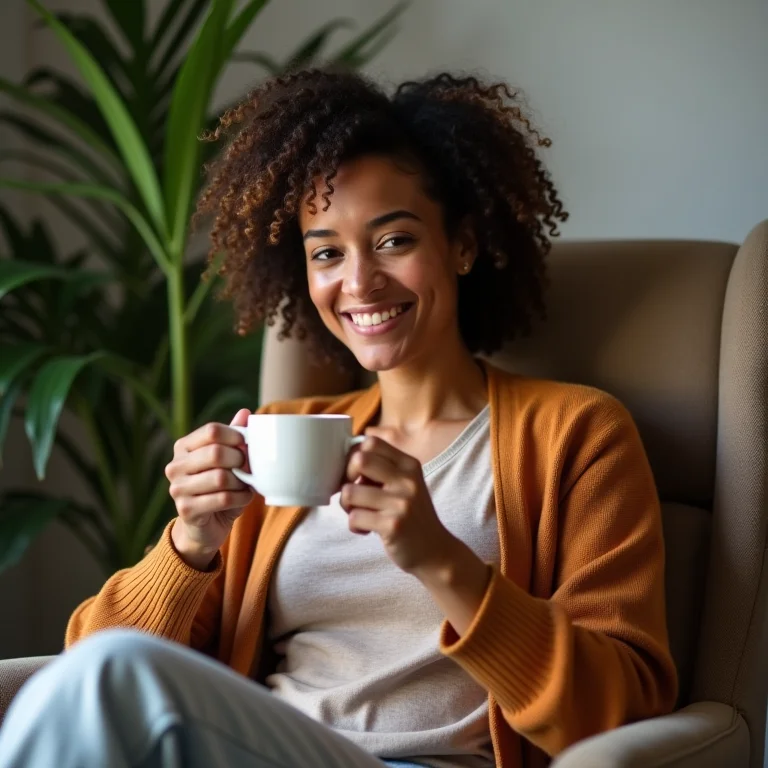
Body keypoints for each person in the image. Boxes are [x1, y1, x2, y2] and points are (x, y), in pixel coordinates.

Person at [0, 70, 677, 768]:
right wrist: (192, 541)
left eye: (394, 240)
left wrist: (440, 558)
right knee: (105, 672)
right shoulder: (277, 437)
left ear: (462, 245)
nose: (358, 282)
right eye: (326, 252)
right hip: (264, 751)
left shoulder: (575, 433)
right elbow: (82, 679)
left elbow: (620, 712)